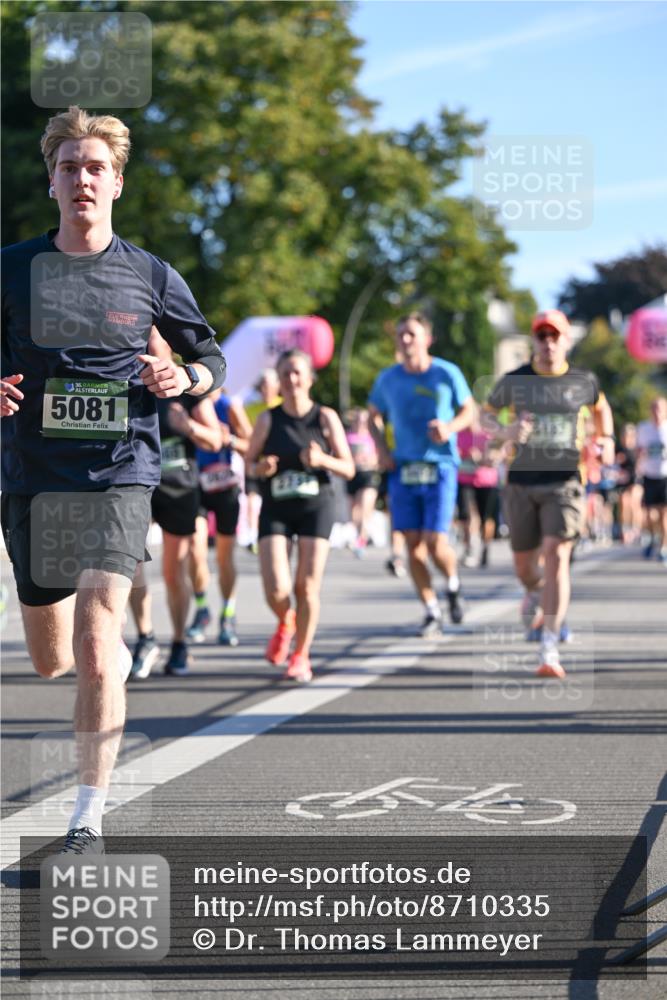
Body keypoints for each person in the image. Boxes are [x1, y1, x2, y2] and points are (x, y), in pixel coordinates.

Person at [0, 106, 225, 854]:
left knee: (100, 639)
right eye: (70, 166)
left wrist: (182, 374)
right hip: (34, 475)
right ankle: (96, 663)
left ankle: (86, 817)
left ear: (117, 183)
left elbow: (210, 360)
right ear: (53, 179)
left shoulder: (151, 274)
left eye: (96, 167)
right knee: (50, 656)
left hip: (121, 472)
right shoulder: (12, 268)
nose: (82, 179)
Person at [484, 309, 614, 678]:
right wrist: (507, 433)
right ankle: (536, 593)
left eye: (555, 335)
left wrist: (605, 440)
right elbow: (485, 415)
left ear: (567, 340)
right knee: (525, 565)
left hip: (565, 480)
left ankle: (550, 645)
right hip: (522, 481)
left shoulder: (582, 380)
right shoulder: (516, 380)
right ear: (534, 341)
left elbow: (602, 410)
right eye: (542, 336)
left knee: (557, 554)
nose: (549, 343)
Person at [245, 349, 354, 682]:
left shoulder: (325, 417)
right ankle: (286, 620)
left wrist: (323, 461)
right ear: (277, 380)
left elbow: (348, 468)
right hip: (277, 505)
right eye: (285, 374)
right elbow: (248, 465)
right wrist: (260, 468)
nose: (291, 380)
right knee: (276, 588)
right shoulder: (267, 419)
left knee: (306, 586)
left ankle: (301, 655)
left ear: (309, 379)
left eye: (296, 373)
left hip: (315, 506)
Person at [368, 312, 474, 636]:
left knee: (434, 542)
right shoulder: (388, 378)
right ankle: (431, 609)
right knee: (412, 546)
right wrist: (382, 450)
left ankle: (453, 584)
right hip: (403, 468)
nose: (405, 340)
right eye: (401, 334)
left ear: (427, 339)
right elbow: (374, 415)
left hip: (439, 465)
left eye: (412, 334)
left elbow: (470, 410)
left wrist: (450, 427)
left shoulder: (446, 373)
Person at [129, 330, 223, 678]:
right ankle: (145, 636)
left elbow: (216, 439)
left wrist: (189, 428)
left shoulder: (187, 382)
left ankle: (180, 641)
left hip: (179, 486)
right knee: (132, 566)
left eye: (157, 335)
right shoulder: (126, 375)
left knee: (173, 571)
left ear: (169, 342)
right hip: (135, 484)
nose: (150, 341)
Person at [186, 390, 252, 646]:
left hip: (225, 487)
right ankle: (202, 608)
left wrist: (230, 440)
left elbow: (252, 445)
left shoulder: (229, 405)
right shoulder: (187, 401)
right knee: (194, 550)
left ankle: (228, 614)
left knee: (224, 557)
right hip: (197, 484)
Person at [456, 405, 502, 568]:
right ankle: (469, 548)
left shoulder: (488, 434)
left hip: (486, 481)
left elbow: (497, 455)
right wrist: (466, 456)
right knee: (467, 516)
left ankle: (485, 546)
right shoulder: (459, 433)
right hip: (464, 479)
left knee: (486, 518)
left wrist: (484, 457)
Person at [242, 368, 282, 551]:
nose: (266, 389)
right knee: (252, 498)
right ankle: (253, 535)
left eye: (269, 384)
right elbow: (244, 435)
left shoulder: (283, 405)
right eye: (263, 385)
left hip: (277, 464)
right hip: (255, 462)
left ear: (277, 386)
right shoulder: (249, 409)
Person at [345, 407, 381, 558]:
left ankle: (362, 539)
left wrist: (370, 460)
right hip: (353, 474)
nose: (361, 423)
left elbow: (380, 456)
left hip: (369, 474)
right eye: (359, 419)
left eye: (364, 420)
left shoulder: (373, 437)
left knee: (366, 506)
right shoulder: (348, 436)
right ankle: (357, 535)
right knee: (354, 510)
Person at [636, 396, 667, 562]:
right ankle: (653, 537)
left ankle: (663, 547)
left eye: (660, 409)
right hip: (648, 475)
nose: (657, 412)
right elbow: (638, 450)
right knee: (649, 515)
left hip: (665, 476)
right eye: (654, 408)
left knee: (663, 515)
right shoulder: (643, 428)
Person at [615, 423, 643, 545]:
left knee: (634, 503)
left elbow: (641, 464)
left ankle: (636, 529)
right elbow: (613, 465)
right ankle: (625, 529)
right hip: (622, 480)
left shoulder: (636, 449)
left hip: (635, 479)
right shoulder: (619, 449)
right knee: (623, 503)